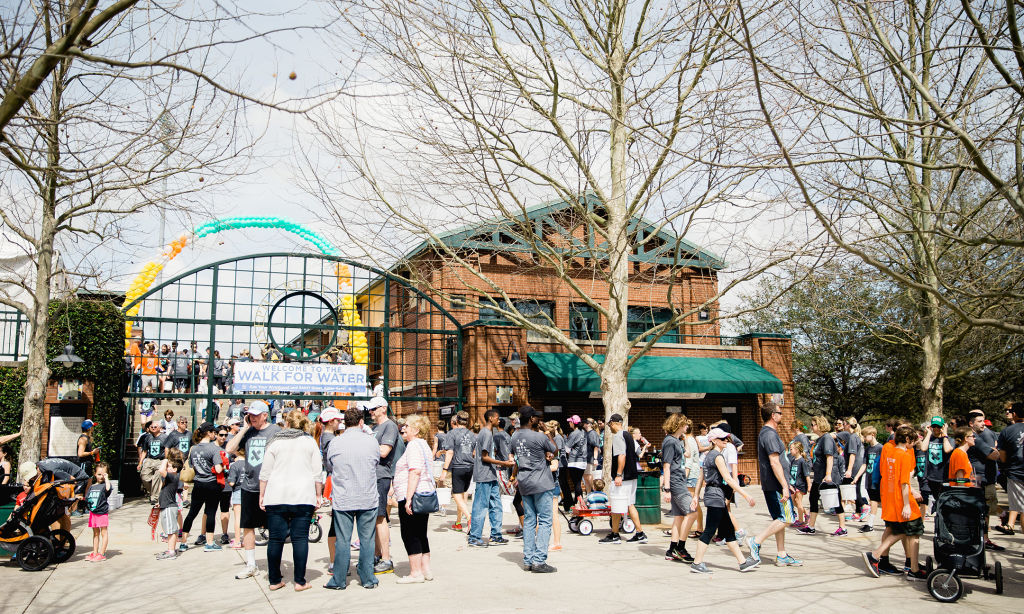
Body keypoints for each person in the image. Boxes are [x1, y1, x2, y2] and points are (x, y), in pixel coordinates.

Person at [259, 410, 323, 592]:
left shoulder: (275, 442)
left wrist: (262, 495)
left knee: (275, 539)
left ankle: (274, 580)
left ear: (286, 423)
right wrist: (318, 495)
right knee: (300, 538)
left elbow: (265, 472)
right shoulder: (309, 442)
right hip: (303, 495)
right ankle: (300, 581)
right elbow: (317, 472)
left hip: (276, 495)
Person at [689, 427, 760, 574]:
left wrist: (696, 496)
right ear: (714, 441)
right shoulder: (717, 457)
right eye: (722, 439)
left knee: (728, 531)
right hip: (716, 496)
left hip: (713, 495)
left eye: (726, 438)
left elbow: (701, 479)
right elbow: (728, 478)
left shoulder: (707, 456)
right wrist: (745, 495)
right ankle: (697, 563)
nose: (726, 441)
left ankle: (742, 562)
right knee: (709, 531)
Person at [324, 408, 380, 591]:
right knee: (367, 540)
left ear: (344, 423)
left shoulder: (335, 442)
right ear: (361, 422)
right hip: (367, 496)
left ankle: (339, 579)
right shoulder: (371, 441)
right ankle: (368, 578)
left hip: (344, 497)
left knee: (342, 540)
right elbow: (376, 462)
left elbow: (329, 466)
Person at [225, 400, 282, 579]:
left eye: (256, 415)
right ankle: (251, 564)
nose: (252, 418)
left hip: (271, 486)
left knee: (274, 527)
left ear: (265, 415)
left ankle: (275, 565)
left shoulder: (275, 431)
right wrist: (243, 429)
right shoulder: (248, 431)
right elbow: (229, 448)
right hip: (249, 486)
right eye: (250, 415)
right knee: (248, 526)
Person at [862, 425, 925, 580]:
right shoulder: (904, 455)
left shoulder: (891, 452)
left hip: (891, 497)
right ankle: (876, 555)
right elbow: (904, 483)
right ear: (907, 439)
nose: (913, 445)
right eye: (913, 441)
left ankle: (913, 568)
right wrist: (907, 504)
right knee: (911, 531)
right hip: (901, 500)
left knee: (900, 530)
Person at [748, 402, 801, 566]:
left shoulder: (768, 433)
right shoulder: (769, 434)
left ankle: (782, 554)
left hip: (776, 484)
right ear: (773, 415)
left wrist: (787, 482)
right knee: (788, 518)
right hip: (776, 485)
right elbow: (774, 462)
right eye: (780, 412)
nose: (782, 415)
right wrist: (784, 486)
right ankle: (756, 541)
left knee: (780, 519)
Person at [509, 406, 558, 573]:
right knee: (545, 520)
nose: (539, 420)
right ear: (531, 419)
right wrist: (548, 432)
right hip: (541, 481)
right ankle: (539, 560)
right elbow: (555, 450)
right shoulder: (539, 436)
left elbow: (515, 455)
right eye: (536, 417)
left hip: (524, 481)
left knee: (530, 520)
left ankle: (528, 559)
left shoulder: (515, 436)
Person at [393, 414, 437, 583]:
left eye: (407, 426)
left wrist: (408, 498)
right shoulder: (424, 445)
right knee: (421, 532)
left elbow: (415, 471)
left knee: (410, 533)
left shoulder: (413, 446)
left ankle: (415, 573)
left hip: (413, 494)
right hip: (424, 493)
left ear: (416, 430)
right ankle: (426, 569)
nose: (403, 428)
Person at [468, 409, 515, 547]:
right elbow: (485, 457)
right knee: (481, 506)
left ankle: (496, 535)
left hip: (491, 474)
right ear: (490, 418)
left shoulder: (487, 432)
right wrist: (504, 463)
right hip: (484, 475)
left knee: (496, 505)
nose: (499, 420)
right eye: (497, 418)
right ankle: (474, 537)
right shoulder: (487, 433)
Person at [599, 413, 647, 545]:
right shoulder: (628, 435)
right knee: (630, 504)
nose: (609, 427)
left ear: (614, 423)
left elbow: (621, 455)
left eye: (610, 424)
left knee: (616, 505)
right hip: (632, 475)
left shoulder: (618, 436)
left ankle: (615, 534)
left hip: (623, 477)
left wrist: (618, 475)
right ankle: (640, 533)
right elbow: (636, 452)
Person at [364, 396, 399, 574]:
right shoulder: (375, 428)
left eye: (374, 408)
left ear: (383, 408)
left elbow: (384, 451)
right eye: (370, 409)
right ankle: (377, 555)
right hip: (372, 475)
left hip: (381, 475)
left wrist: (364, 446)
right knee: (374, 517)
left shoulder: (389, 426)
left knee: (380, 517)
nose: (371, 412)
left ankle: (386, 558)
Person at [180, 423, 226, 552]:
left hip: (198, 483)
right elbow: (218, 469)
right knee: (210, 513)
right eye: (214, 432)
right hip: (212, 483)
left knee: (192, 513)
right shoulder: (214, 449)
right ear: (209, 433)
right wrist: (224, 465)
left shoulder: (193, 448)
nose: (215, 435)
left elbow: (192, 466)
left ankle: (183, 542)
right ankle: (210, 543)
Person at [800, 415, 847, 536]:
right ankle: (811, 527)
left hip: (828, 476)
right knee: (813, 498)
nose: (811, 427)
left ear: (819, 425)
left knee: (836, 501)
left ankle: (843, 528)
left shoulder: (826, 438)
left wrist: (828, 474)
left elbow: (829, 457)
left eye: (813, 424)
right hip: (818, 476)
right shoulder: (820, 439)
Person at [966, 410, 1004, 550]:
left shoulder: (978, 436)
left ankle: (981, 538)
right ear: (971, 424)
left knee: (983, 509)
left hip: (980, 477)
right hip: (979, 478)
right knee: (983, 509)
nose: (983, 424)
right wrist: (996, 450)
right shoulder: (975, 438)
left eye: (983, 421)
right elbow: (993, 455)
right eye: (980, 421)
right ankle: (983, 539)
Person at [661, 414, 696, 562]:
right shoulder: (670, 442)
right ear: (678, 425)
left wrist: (685, 439)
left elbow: (687, 454)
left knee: (680, 516)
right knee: (692, 512)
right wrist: (667, 489)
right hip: (675, 482)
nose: (687, 426)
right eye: (685, 424)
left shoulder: (677, 440)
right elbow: (666, 466)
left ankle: (671, 550)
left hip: (680, 480)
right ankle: (680, 548)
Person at [441, 411, 475, 531]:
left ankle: (469, 517)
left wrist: (444, 470)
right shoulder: (472, 434)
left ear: (456, 421)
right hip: (470, 466)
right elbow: (474, 452)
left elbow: (450, 452)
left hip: (458, 466)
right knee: (462, 494)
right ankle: (458, 522)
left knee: (456, 494)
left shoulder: (452, 433)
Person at [996, 402, 1024, 534]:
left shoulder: (1007, 431)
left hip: (1015, 473)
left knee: (1022, 507)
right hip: (1016, 472)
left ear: (1015, 414)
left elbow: (1002, 456)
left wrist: (1005, 465)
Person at [922, 416, 953, 511]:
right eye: (934, 426)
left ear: (943, 427)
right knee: (935, 503)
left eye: (938, 427)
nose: (936, 429)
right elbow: (923, 448)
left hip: (944, 477)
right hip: (931, 476)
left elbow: (947, 449)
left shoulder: (949, 439)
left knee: (944, 505)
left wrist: (945, 434)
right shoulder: (929, 439)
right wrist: (928, 434)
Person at [157, 456, 183, 560]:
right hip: (166, 506)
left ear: (175, 469)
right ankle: (170, 549)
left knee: (171, 531)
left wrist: (165, 460)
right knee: (169, 530)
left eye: (169, 466)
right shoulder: (171, 478)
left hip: (169, 507)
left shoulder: (173, 476)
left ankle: (171, 551)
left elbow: (161, 470)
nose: (166, 468)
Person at [85, 462, 112, 561]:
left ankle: (102, 553)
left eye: (103, 474)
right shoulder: (92, 487)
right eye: (99, 474)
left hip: (102, 513)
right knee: (95, 533)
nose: (101, 476)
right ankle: (95, 552)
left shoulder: (106, 485)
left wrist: (107, 478)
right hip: (93, 513)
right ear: (95, 474)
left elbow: (108, 488)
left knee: (104, 532)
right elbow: (88, 498)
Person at [859, 426, 884, 533]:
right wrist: (857, 476)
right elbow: (865, 464)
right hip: (869, 478)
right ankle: (870, 523)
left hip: (877, 479)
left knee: (875, 501)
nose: (864, 438)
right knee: (873, 500)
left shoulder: (881, 448)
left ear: (872, 435)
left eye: (865, 436)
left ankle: (871, 523)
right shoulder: (868, 449)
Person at [136, 420, 166, 504]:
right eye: (151, 427)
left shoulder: (165, 437)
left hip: (160, 460)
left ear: (159, 428)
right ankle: (154, 492)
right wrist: (140, 463)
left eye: (155, 427)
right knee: (144, 476)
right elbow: (144, 451)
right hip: (150, 459)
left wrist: (166, 461)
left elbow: (167, 449)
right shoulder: (147, 437)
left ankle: (154, 498)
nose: (153, 428)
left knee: (157, 477)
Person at [565, 415, 587, 506]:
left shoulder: (574, 433)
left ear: (574, 423)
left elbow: (567, 448)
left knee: (576, 483)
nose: (569, 424)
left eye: (570, 422)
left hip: (574, 461)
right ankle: (579, 502)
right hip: (583, 460)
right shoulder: (584, 432)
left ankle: (578, 503)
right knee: (578, 482)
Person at [788, 441, 811, 527]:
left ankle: (801, 521)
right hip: (793, 484)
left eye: (791, 449)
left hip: (800, 485)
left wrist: (809, 485)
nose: (790, 451)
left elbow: (807, 475)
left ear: (797, 450)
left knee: (798, 501)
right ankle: (806, 513)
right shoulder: (793, 460)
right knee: (793, 501)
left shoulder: (802, 461)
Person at [227, 447, 245, 548]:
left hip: (238, 491)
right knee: (247, 518)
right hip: (248, 491)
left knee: (238, 518)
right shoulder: (250, 464)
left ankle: (237, 541)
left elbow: (232, 482)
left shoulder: (234, 465)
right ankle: (247, 540)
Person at [584, 418, 601, 492]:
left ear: (589, 424)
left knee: (590, 477)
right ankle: (589, 494)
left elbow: (596, 447)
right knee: (586, 477)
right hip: (586, 459)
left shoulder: (592, 433)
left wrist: (595, 459)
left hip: (590, 459)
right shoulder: (587, 433)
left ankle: (595, 493)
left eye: (585, 423)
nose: (584, 424)